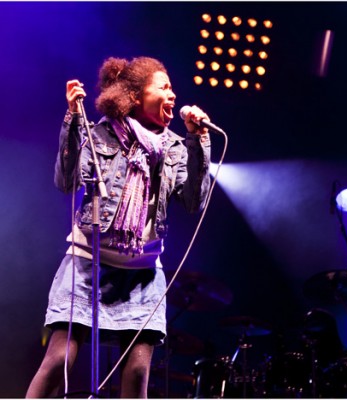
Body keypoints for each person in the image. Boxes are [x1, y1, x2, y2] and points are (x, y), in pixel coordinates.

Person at [26, 56, 212, 398]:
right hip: (88, 264)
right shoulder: (100, 134)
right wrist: (72, 120)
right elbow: (65, 182)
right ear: (137, 96)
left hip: (141, 274)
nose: (173, 95)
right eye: (164, 87)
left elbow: (192, 202)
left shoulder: (173, 147)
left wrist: (198, 142)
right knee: (59, 361)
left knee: (139, 369)